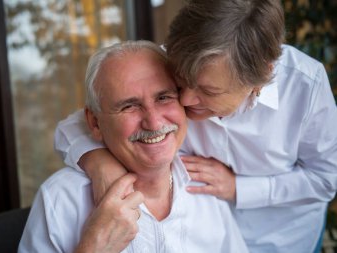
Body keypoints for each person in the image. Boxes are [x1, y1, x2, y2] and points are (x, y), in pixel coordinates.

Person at [54, 0, 337, 252]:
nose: (186, 99)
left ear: (261, 76)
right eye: (181, 81)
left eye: (208, 91)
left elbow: (326, 179)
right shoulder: (176, 57)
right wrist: (99, 162)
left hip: (284, 238)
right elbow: (83, 122)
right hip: (202, 238)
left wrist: (238, 188)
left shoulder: (305, 86)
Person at [19, 40, 248, 253]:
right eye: (129, 106)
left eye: (164, 98)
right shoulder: (60, 199)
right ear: (95, 123)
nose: (154, 122)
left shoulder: (206, 187)